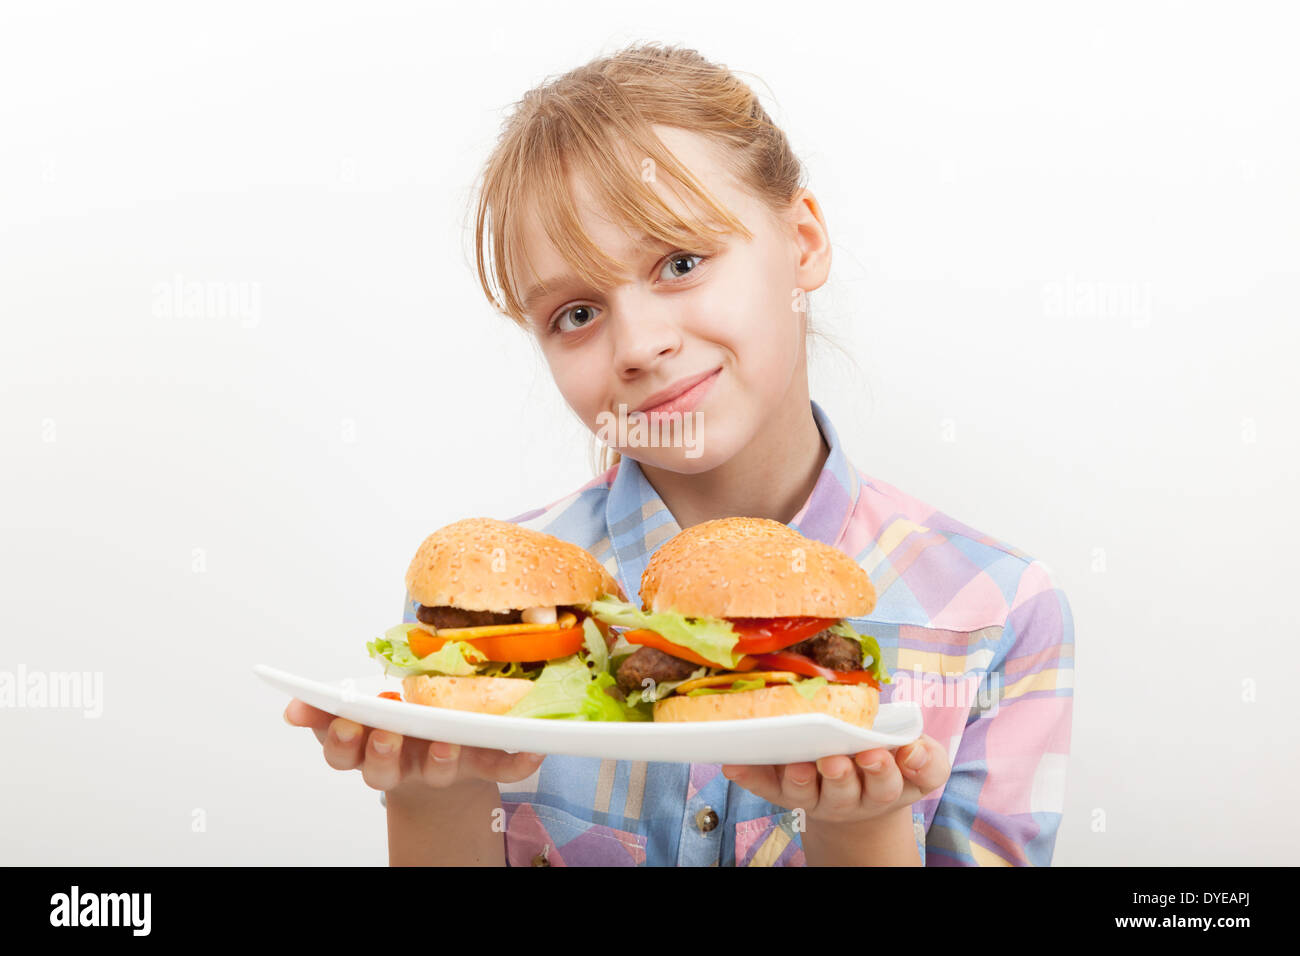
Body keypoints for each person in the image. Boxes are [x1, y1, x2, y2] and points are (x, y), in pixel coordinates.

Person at [284, 42, 1074, 866]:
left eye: (682, 262)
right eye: (577, 313)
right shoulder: (481, 620)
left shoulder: (997, 613)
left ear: (802, 241)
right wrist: (430, 801)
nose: (640, 344)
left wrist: (860, 826)